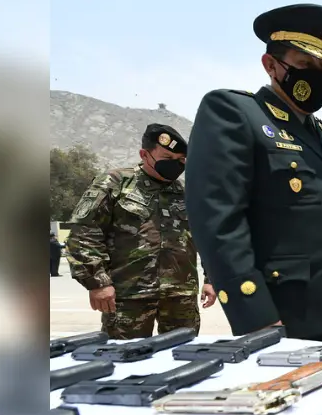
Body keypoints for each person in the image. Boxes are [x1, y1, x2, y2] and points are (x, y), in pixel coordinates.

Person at [185, 3, 322, 341]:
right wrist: (255, 317)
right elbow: (217, 221)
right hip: (281, 319)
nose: (316, 76)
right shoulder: (236, 113)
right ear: (271, 65)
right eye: (304, 64)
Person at [66, 124, 216, 339]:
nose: (175, 165)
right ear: (144, 154)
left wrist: (211, 279)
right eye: (167, 157)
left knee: (182, 355)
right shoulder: (115, 183)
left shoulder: (187, 192)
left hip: (180, 295)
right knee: (125, 360)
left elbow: (207, 238)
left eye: (180, 160)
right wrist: (97, 282)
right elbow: (83, 233)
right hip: (129, 296)